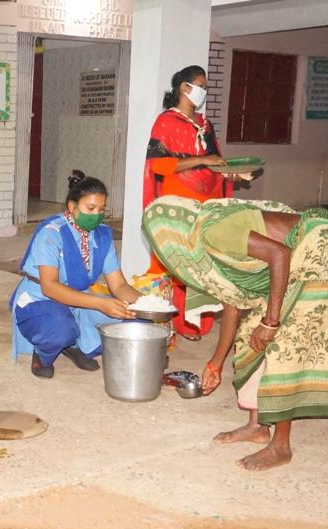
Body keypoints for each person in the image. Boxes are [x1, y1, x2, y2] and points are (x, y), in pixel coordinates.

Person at [143, 196, 328, 471]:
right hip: (295, 260)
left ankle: (281, 446)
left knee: (285, 343)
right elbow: (233, 307)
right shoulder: (207, 251)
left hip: (326, 251)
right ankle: (257, 427)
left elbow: (280, 254)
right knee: (251, 336)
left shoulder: (212, 231)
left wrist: (271, 321)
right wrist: (216, 364)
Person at [11, 171, 141, 379]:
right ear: (71, 207)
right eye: (90, 208)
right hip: (41, 300)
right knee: (60, 331)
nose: (96, 215)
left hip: (80, 300)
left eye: (101, 209)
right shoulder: (51, 234)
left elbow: (119, 287)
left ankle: (72, 345)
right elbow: (50, 287)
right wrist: (99, 304)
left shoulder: (103, 235)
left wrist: (147, 305)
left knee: (134, 323)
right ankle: (45, 354)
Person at [143, 65, 237, 341]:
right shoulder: (166, 122)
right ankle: (173, 324)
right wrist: (201, 160)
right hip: (177, 204)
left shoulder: (204, 124)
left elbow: (216, 161)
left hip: (205, 202)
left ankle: (198, 322)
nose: (203, 91)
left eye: (206, 87)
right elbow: (158, 164)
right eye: (200, 85)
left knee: (202, 262)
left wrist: (229, 173)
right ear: (184, 88)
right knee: (177, 262)